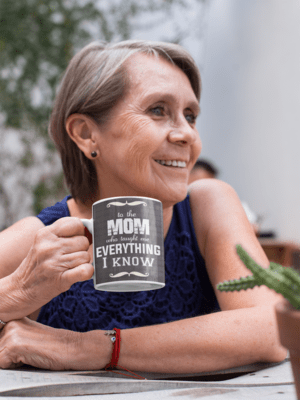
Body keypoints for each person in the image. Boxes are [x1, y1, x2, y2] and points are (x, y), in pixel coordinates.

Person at [0, 40, 286, 372]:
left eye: (190, 116)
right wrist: (15, 293)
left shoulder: (207, 206)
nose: (187, 135)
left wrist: (87, 347)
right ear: (86, 133)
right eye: (158, 110)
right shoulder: (40, 239)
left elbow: (273, 329)